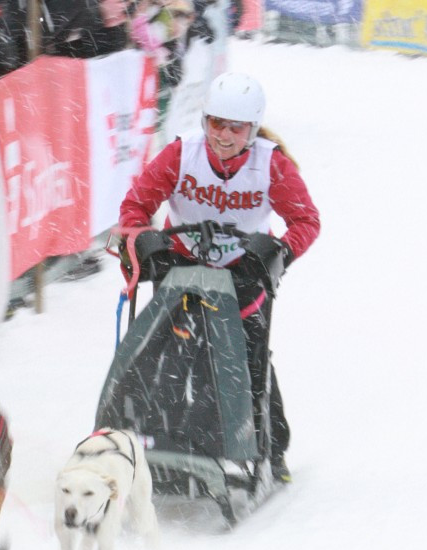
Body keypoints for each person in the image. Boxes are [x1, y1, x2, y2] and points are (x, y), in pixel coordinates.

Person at [118, 70, 320, 481]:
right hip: (182, 269)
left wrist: (276, 254)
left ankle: (269, 447)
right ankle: (162, 445)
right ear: (204, 120)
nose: (223, 136)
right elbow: (134, 207)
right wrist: (141, 240)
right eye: (215, 124)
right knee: (171, 359)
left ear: (251, 127)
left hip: (243, 276)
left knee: (245, 362)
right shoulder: (180, 154)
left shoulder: (271, 164)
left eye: (235, 127)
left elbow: (306, 221)